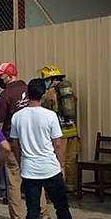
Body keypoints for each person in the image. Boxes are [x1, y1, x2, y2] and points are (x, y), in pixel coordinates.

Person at [11, 78, 89, 219]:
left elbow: (15, 144)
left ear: (28, 94)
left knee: (32, 210)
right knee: (62, 207)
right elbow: (58, 144)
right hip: (50, 168)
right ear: (44, 94)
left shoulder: (17, 116)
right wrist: (61, 165)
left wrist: (21, 160)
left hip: (29, 169)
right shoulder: (49, 116)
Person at [0, 63, 52, 219]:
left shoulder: (5, 95)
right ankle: (45, 215)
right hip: (33, 143)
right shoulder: (31, 89)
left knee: (13, 184)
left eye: (1, 75)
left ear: (9, 76)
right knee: (36, 179)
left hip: (11, 143)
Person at [40, 66, 80, 194]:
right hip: (72, 131)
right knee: (71, 160)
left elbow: (46, 112)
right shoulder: (69, 92)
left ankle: (59, 188)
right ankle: (70, 187)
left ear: (50, 79)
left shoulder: (49, 93)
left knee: (59, 161)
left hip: (59, 133)